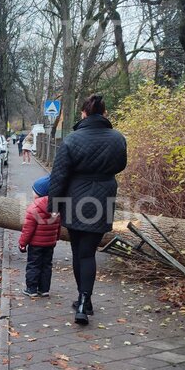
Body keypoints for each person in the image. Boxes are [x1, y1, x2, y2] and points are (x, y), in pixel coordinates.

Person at [48, 94, 127, 325]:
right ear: (105, 114)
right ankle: (86, 301)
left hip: (76, 198)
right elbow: (121, 165)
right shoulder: (117, 138)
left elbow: (59, 175)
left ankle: (83, 300)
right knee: (89, 252)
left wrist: (54, 206)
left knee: (78, 252)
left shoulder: (72, 139)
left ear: (83, 114)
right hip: (103, 197)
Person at [19, 175, 61, 297]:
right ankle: (44, 289)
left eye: (34, 190)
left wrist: (22, 243)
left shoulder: (33, 208)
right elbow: (58, 225)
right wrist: (56, 237)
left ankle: (31, 289)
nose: (32, 192)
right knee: (47, 265)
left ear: (40, 193)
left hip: (35, 244)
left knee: (33, 265)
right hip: (50, 243)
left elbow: (28, 229)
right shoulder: (56, 207)